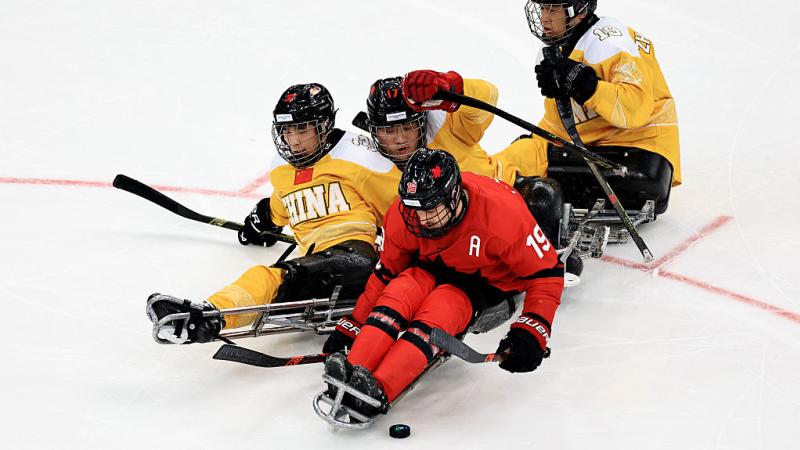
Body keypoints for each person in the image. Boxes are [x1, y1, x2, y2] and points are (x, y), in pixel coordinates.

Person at [146, 83, 400, 344]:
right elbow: (281, 207)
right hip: (319, 262)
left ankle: (207, 318)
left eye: (302, 128)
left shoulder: (360, 157)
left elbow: (406, 206)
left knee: (280, 277)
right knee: (276, 277)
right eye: (287, 130)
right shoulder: (282, 169)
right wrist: (261, 222)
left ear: (324, 125)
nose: (295, 139)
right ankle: (208, 316)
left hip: (360, 258)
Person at [322, 149, 564, 419]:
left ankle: (379, 388)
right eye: (414, 209)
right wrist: (355, 323)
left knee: (442, 306)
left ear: (453, 197)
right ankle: (354, 366)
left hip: (484, 284)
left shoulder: (502, 214)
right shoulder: (407, 213)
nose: (422, 220)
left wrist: (532, 330)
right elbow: (386, 273)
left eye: (430, 209)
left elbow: (548, 272)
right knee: (402, 287)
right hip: (432, 266)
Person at [366, 73, 568, 269]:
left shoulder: (445, 123)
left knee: (542, 194)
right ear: (373, 131)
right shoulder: (363, 165)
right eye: (389, 131)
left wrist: (452, 88)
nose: (400, 139)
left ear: (422, 120)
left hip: (501, 197)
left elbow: (489, 96)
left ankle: (547, 262)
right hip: (452, 238)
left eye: (408, 127)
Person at [521, 0, 680, 215]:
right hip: (591, 143)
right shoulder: (554, 49)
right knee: (518, 165)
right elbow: (560, 122)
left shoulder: (608, 43)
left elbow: (635, 110)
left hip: (640, 143)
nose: (543, 17)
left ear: (580, 11)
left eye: (553, 9)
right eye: (542, 8)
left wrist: (588, 86)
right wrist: (535, 144)